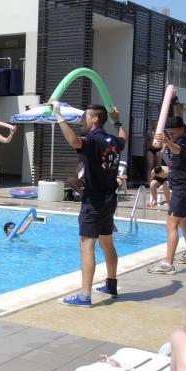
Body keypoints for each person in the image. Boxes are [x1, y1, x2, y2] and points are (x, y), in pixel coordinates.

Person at [50, 101, 126, 306]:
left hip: (94, 201)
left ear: (95, 119)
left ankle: (85, 296)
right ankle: (111, 284)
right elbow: (123, 139)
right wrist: (117, 121)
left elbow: (75, 142)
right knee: (107, 241)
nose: (81, 120)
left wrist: (59, 116)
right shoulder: (112, 140)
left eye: (84, 117)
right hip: (110, 199)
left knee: (87, 245)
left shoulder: (92, 140)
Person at [149, 117, 186, 274]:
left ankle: (168, 264)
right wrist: (175, 100)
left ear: (181, 129)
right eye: (169, 133)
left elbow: (178, 150)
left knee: (171, 225)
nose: (172, 135)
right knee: (184, 223)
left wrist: (168, 142)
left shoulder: (183, 142)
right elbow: (178, 117)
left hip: (182, 188)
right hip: (184, 186)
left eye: (173, 132)